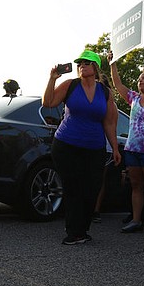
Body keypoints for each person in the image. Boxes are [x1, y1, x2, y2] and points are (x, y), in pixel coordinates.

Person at [42, 49, 121, 245]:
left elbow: (110, 123)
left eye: (86, 63)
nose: (81, 66)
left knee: (92, 189)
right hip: (66, 145)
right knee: (73, 187)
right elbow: (48, 102)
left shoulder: (105, 92)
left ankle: (83, 230)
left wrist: (116, 148)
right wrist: (52, 79)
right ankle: (74, 232)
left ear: (95, 67)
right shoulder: (70, 85)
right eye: (79, 64)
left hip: (94, 148)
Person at [108, 52, 144, 235]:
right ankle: (136, 220)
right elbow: (118, 84)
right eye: (140, 79)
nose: (140, 81)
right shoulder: (133, 98)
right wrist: (113, 64)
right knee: (136, 185)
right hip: (132, 149)